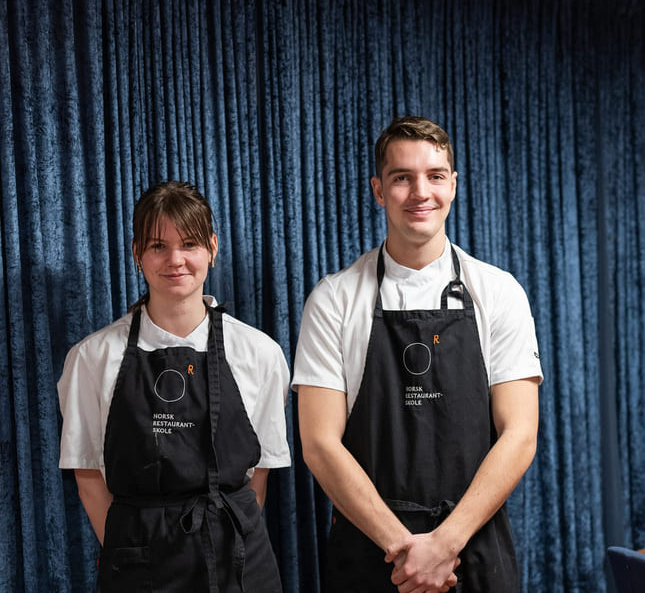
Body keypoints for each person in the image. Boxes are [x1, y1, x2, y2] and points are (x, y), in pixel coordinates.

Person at [292, 116, 542, 593]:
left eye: (434, 175)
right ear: (378, 190)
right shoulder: (335, 298)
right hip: (372, 557)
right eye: (401, 177)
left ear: (453, 185)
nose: (419, 191)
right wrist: (407, 553)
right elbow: (320, 444)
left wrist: (445, 544)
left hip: (472, 553)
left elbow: (520, 434)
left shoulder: (498, 292)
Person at [58, 180, 291, 592]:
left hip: (239, 562)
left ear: (213, 249)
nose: (175, 260)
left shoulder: (260, 353)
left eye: (190, 244)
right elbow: (89, 476)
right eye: (157, 246)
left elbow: (259, 475)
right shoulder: (92, 358)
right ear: (137, 254)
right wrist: (135, 550)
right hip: (139, 564)